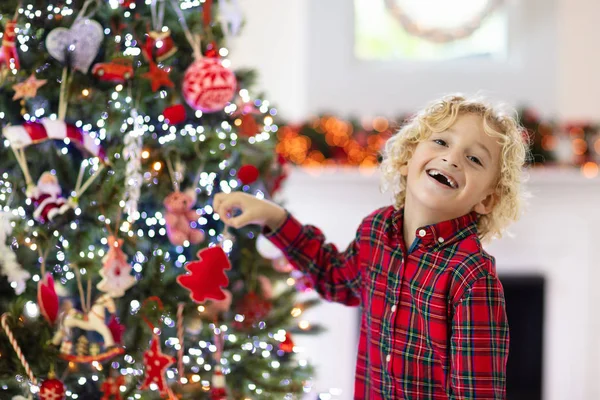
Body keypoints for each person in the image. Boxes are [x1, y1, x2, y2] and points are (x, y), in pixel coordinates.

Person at [214, 94, 528, 399]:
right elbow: (333, 277)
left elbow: (477, 393)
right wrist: (274, 217)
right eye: (442, 142)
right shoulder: (376, 231)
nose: (452, 158)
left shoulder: (471, 276)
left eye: (474, 159)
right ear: (407, 159)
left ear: (487, 199)